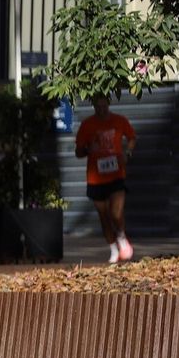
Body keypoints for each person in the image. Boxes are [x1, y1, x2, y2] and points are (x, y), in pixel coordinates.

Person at [75, 95, 137, 263]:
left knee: (116, 213)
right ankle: (113, 249)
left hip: (116, 173)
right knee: (103, 216)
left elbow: (131, 137)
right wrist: (89, 149)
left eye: (104, 107)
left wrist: (128, 153)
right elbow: (78, 152)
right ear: (94, 107)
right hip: (96, 178)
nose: (102, 110)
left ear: (108, 105)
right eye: (98, 107)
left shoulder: (119, 121)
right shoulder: (87, 125)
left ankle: (121, 236)